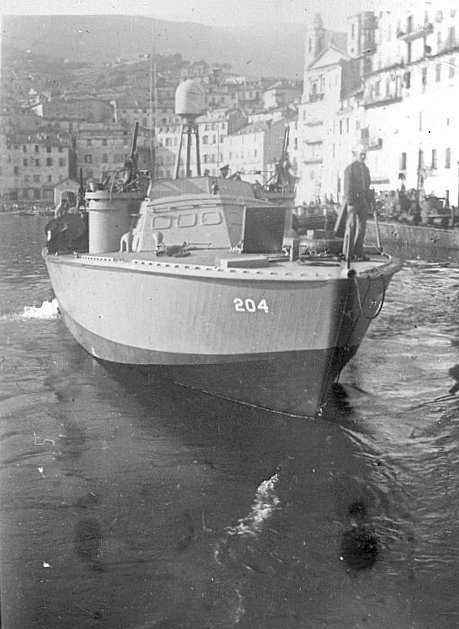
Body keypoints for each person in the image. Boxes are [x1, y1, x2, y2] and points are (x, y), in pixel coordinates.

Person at [335, 145, 372, 260]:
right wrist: (350, 201)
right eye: (361, 154)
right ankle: (348, 253)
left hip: (363, 201)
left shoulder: (365, 169)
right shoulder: (350, 168)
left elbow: (367, 184)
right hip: (353, 202)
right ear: (355, 154)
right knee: (350, 227)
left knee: (362, 228)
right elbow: (347, 186)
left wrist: (367, 199)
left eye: (364, 154)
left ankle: (358, 251)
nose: (363, 156)